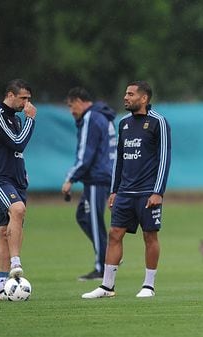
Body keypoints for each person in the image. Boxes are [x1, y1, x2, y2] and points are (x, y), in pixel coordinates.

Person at [82, 81, 171, 299]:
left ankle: (148, 285)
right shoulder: (123, 123)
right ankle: (107, 286)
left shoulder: (158, 122)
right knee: (114, 234)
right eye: (125, 94)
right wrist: (114, 190)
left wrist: (158, 191)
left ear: (144, 98)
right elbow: (119, 160)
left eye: (130, 94)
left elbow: (164, 159)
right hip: (125, 193)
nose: (126, 97)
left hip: (148, 192)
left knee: (149, 236)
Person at [0, 79, 37, 300]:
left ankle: (1, 288)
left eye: (29, 100)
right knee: (18, 209)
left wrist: (22, 171)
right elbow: (18, 143)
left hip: (16, 180)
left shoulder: (14, 119)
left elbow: (15, 152)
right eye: (23, 98)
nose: (26, 103)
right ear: (10, 95)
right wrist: (30, 120)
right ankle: (16, 263)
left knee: (3, 233)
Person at [62, 87, 117, 281]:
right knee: (83, 216)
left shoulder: (90, 118)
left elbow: (86, 153)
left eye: (71, 106)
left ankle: (102, 266)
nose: (71, 111)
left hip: (97, 178)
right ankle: (109, 255)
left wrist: (70, 178)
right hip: (103, 175)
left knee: (94, 221)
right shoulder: (102, 116)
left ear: (79, 100)